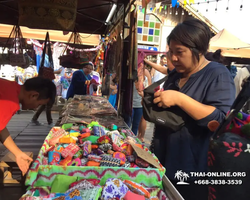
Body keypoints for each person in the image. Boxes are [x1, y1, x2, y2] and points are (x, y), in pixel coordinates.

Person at [149, 18, 235, 200]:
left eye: (179, 52)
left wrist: (180, 99)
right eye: (171, 52)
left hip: (193, 170)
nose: (173, 58)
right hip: (163, 160)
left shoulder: (217, 74)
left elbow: (220, 121)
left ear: (199, 50)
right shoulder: (175, 75)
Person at [0, 77, 56, 174]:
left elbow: (1, 127)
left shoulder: (9, 86)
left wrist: (18, 153)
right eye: (38, 104)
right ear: (33, 95)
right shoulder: (10, 101)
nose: (35, 108)